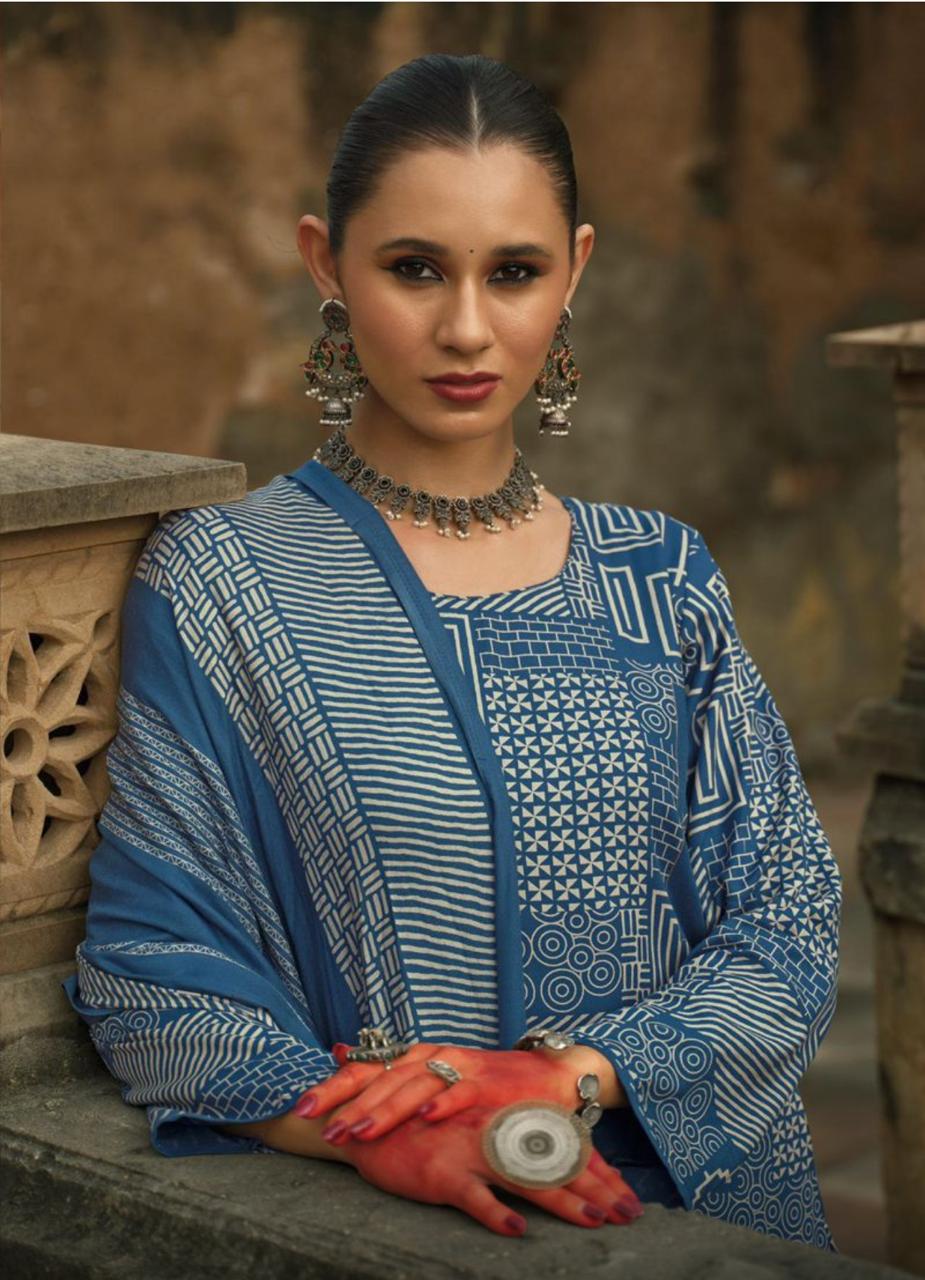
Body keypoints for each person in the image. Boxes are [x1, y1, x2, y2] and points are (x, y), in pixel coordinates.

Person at [61, 53, 841, 1249]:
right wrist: (377, 1130)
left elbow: (787, 917)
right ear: (326, 262)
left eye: (514, 272)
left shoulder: (659, 576)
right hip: (398, 1225)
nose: (467, 327)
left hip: (692, 1223)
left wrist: (569, 1072)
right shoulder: (225, 581)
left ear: (574, 269)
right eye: (414, 268)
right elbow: (155, 964)